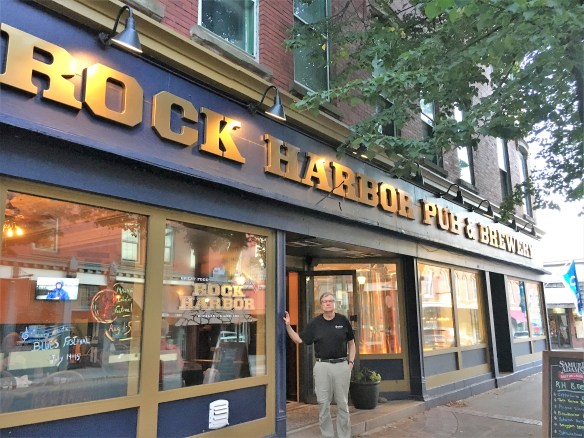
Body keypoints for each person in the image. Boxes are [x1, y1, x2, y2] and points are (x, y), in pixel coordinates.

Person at [284, 292, 356, 438]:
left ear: (334, 303)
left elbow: (351, 343)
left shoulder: (343, 320)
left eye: (330, 301)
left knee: (343, 404)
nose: (328, 303)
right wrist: (288, 326)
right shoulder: (315, 323)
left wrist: (350, 362)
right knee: (323, 404)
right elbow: (298, 340)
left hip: (341, 365)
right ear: (321, 305)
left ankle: (344, 435)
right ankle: (327, 435)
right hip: (322, 366)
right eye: (324, 301)